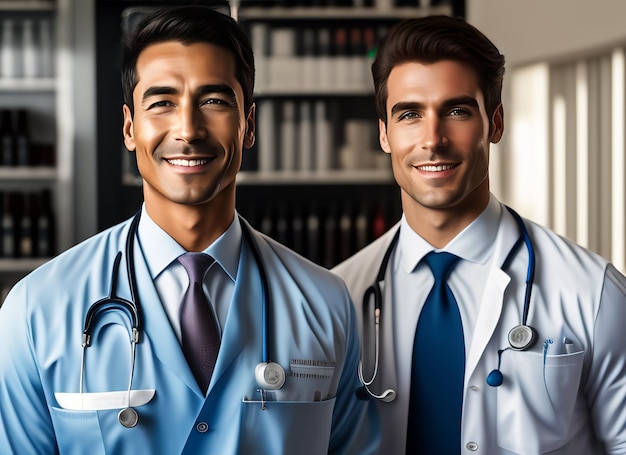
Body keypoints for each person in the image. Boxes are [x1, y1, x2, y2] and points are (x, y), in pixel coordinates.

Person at [0, 6, 378, 454]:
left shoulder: (326, 304)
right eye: (161, 103)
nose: (188, 130)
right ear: (129, 127)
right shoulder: (37, 308)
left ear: (249, 125)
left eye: (214, 101)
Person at [333, 15, 626, 454]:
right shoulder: (338, 297)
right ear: (384, 134)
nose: (433, 140)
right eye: (410, 114)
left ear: (496, 123)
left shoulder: (592, 292)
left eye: (456, 111)